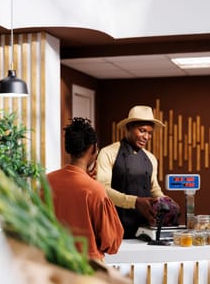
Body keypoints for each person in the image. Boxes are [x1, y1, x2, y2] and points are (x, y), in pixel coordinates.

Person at [43, 117, 124, 261]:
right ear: (93, 148)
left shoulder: (46, 182)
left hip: (54, 265)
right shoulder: (95, 190)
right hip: (87, 269)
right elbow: (112, 243)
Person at [96, 105, 180, 239]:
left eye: (150, 133)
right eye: (142, 131)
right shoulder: (108, 153)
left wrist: (166, 201)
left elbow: (154, 188)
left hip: (145, 228)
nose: (146, 137)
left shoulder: (151, 158)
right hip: (114, 227)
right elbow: (102, 190)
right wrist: (135, 202)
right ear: (128, 127)